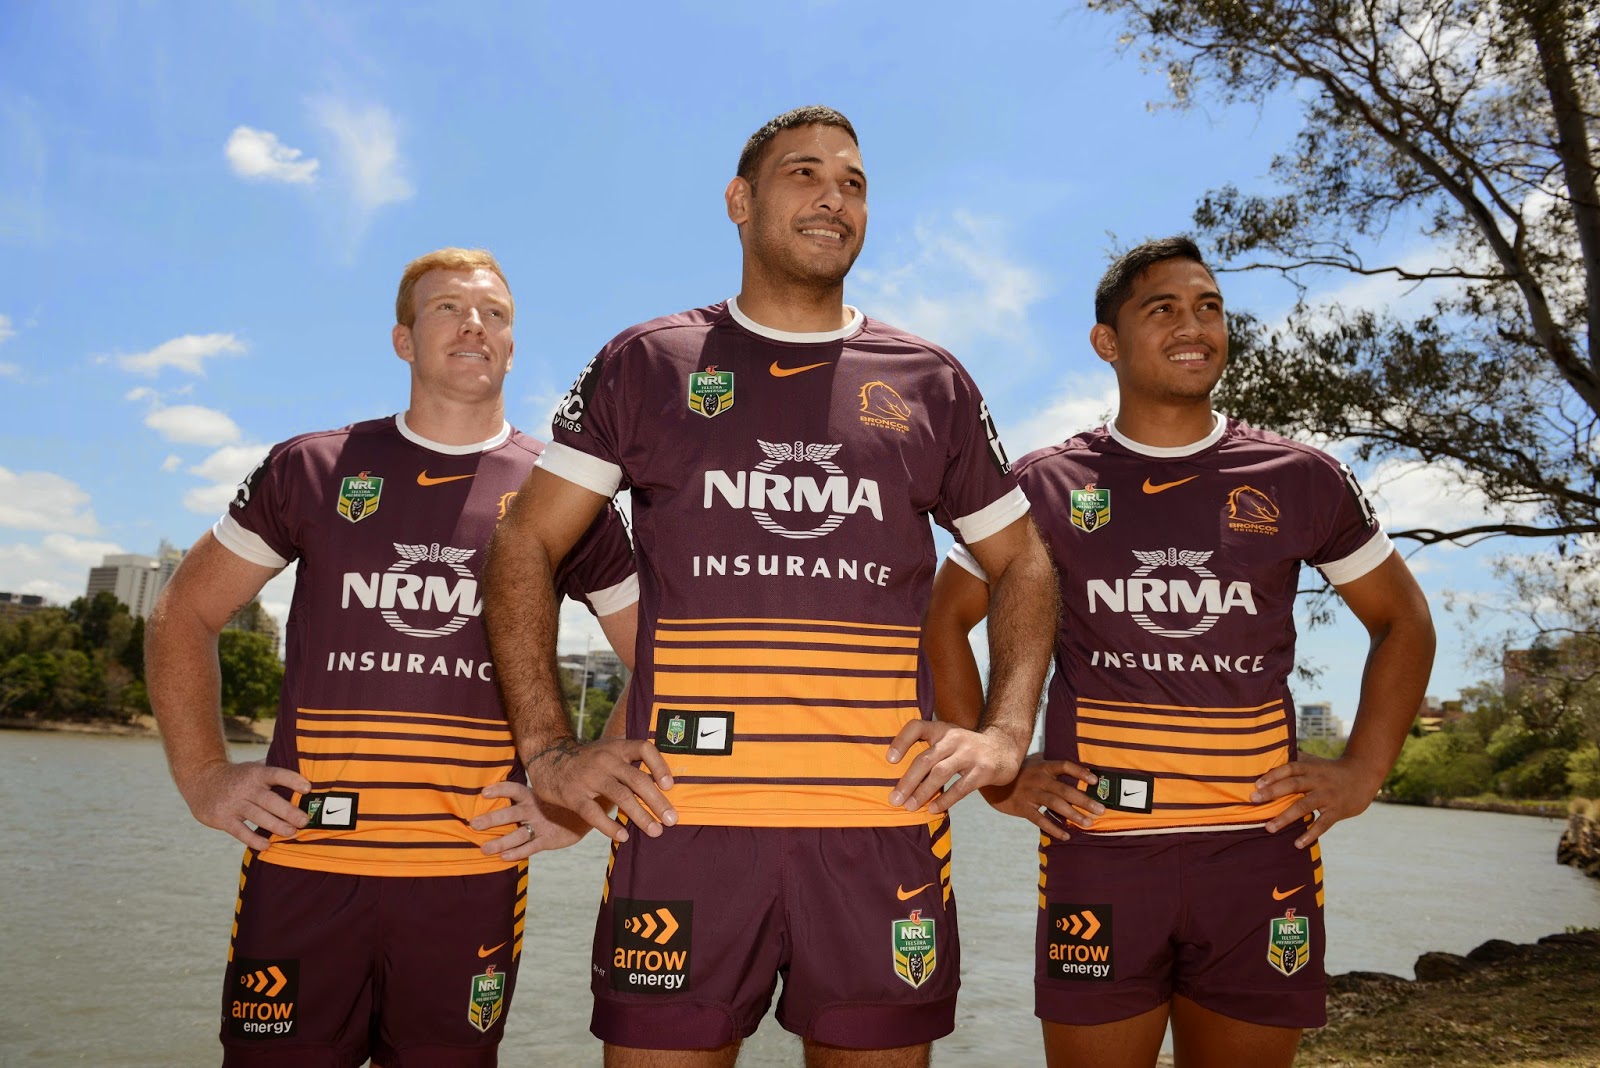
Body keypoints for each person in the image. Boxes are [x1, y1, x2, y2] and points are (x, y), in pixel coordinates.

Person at [482, 106, 1057, 1068]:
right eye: (804, 173)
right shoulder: (647, 361)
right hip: (680, 824)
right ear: (740, 201)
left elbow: (1025, 561)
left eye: (854, 182)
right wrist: (547, 750)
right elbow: (525, 542)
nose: (834, 196)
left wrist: (1005, 733)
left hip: (880, 830)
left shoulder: (930, 381)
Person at [924, 235, 1437, 1068]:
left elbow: (1404, 620)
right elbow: (944, 617)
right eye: (1162, 309)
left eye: (1209, 308)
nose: (1193, 326)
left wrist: (1363, 771)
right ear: (1107, 341)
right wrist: (997, 774)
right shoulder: (1046, 484)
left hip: (1261, 853)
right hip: (1101, 854)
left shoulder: (1299, 476)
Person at [146, 248, 640, 1067]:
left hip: (469, 874)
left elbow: (659, 650)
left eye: (494, 314)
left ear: (512, 345)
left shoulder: (563, 492)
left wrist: (575, 804)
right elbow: (182, 613)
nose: (474, 324)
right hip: (304, 864)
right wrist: (203, 775)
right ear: (403, 340)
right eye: (448, 308)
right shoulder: (313, 466)